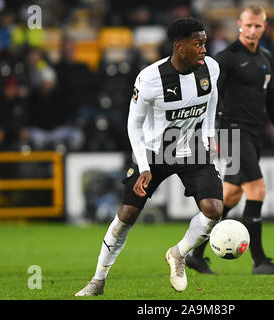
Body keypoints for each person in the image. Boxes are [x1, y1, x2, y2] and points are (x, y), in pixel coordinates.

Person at [75, 17, 223, 296]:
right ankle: (98, 280)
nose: (204, 49)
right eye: (198, 44)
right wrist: (143, 166)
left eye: (205, 42)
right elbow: (134, 124)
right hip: (156, 152)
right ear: (180, 48)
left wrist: (209, 135)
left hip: (192, 148)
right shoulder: (150, 79)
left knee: (214, 210)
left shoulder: (211, 68)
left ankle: (178, 254)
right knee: (126, 215)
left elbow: (211, 102)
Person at [186, 5, 274, 275]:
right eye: (248, 25)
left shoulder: (266, 57)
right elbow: (209, 94)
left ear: (264, 27)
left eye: (258, 25)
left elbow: (273, 98)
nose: (253, 30)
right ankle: (260, 261)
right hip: (232, 131)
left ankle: (195, 254)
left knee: (230, 196)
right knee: (257, 190)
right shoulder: (227, 57)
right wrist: (211, 131)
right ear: (239, 24)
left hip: (253, 133)